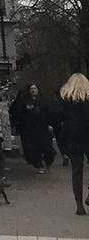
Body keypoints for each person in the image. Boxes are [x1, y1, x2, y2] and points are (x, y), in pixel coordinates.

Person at [51, 72, 89, 216]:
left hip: (72, 138)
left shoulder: (64, 100)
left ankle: (79, 205)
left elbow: (56, 118)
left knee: (77, 171)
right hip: (87, 136)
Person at [17, 83, 57, 173]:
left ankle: (48, 163)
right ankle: (39, 166)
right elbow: (20, 114)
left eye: (35, 88)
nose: (33, 90)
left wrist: (50, 124)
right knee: (34, 149)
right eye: (31, 89)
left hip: (43, 128)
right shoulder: (25, 101)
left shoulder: (44, 100)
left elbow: (49, 113)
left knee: (48, 148)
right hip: (31, 129)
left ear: (38, 90)